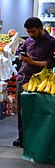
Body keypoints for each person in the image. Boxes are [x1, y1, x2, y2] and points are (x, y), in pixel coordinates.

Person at [14, 17, 55, 147]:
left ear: (41, 28)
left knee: (36, 111)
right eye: (29, 32)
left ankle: (36, 138)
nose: (31, 34)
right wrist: (21, 55)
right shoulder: (29, 41)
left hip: (40, 82)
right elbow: (20, 50)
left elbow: (50, 64)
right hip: (23, 79)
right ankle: (22, 137)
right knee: (22, 111)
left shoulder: (51, 43)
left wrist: (32, 62)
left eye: (33, 31)